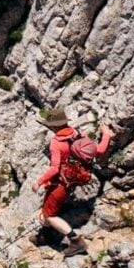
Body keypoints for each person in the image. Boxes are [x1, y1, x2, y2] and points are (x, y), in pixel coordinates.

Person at [32, 107, 111, 251]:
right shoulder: (75, 134)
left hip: (59, 184)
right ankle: (45, 235)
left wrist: (39, 181)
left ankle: (75, 241)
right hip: (72, 181)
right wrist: (106, 135)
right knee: (48, 210)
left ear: (54, 126)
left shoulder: (56, 143)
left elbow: (55, 168)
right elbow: (99, 150)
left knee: (49, 215)